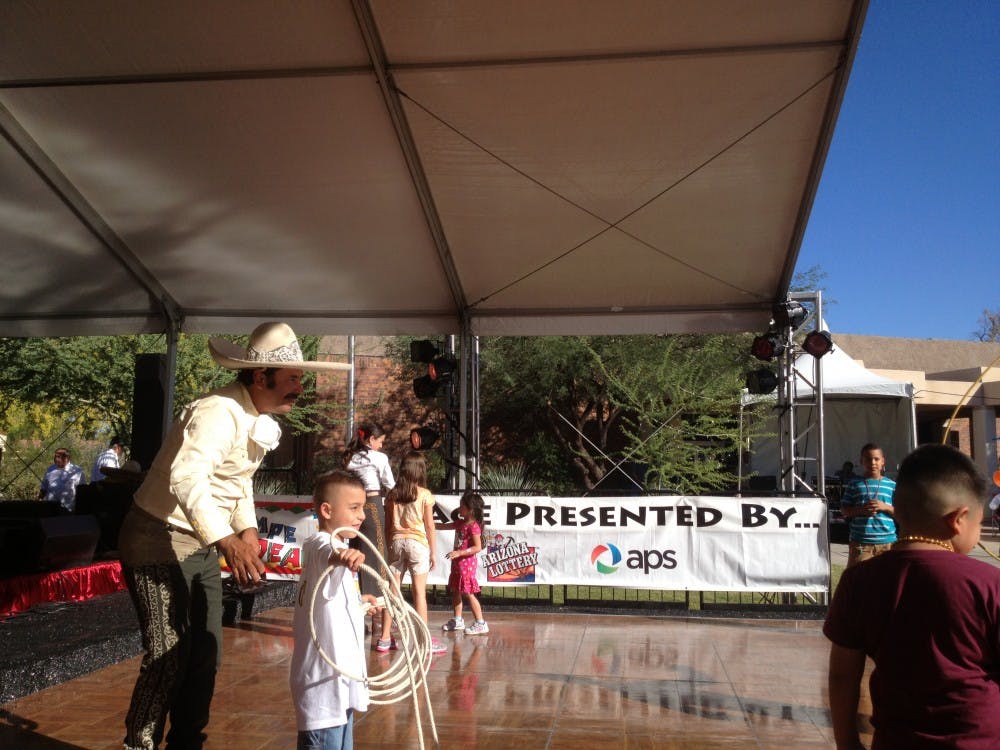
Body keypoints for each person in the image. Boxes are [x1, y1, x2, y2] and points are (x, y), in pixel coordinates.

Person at [117, 322, 350, 750]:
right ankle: (140, 744)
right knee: (169, 655)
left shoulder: (252, 415)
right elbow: (187, 477)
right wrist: (228, 540)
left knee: (204, 653)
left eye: (301, 377)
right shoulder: (217, 412)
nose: (300, 386)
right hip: (156, 536)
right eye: (294, 378)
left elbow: (237, 480)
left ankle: (186, 744)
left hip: (201, 540)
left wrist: (246, 529)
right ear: (261, 377)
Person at [824, 443, 1000, 749]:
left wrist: (847, 743)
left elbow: (842, 675)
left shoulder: (859, 580)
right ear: (959, 518)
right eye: (980, 523)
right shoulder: (989, 583)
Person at [290, 469, 380, 750]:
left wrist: (360, 603)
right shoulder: (323, 545)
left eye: (362, 508)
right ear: (327, 510)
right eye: (354, 508)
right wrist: (341, 555)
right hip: (324, 690)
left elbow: (329, 602)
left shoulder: (337, 550)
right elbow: (325, 554)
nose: (362, 515)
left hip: (340, 687)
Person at [378, 450, 446, 655]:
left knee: (392, 591)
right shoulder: (424, 494)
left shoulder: (392, 495)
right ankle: (422, 639)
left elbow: (388, 525)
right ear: (419, 471)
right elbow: (429, 526)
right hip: (418, 544)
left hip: (397, 542)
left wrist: (390, 547)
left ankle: (384, 638)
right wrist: (433, 552)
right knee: (419, 592)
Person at [342, 422, 395, 596]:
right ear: (371, 439)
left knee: (355, 545)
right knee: (377, 548)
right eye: (380, 441)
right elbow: (390, 484)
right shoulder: (379, 457)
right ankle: (379, 598)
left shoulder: (351, 457)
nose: (381, 445)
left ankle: (355, 594)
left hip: (352, 504)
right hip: (372, 502)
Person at [438, 491, 489, 635]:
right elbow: (445, 526)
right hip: (457, 564)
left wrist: (460, 553)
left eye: (461, 506)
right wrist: (429, 524)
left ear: (470, 509)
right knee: (456, 590)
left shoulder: (473, 526)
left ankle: (480, 622)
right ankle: (458, 619)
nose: (459, 509)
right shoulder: (461, 523)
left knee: (468, 593)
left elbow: (477, 547)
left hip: (466, 564)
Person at [839, 443, 897, 567]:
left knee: (888, 580)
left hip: (888, 543)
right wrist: (861, 510)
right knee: (857, 579)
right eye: (868, 459)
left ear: (883, 461)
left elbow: (901, 513)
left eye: (876, 459)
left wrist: (885, 507)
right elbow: (844, 510)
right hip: (860, 543)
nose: (873, 462)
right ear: (861, 461)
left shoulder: (891, 485)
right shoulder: (854, 484)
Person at [37, 447, 84, 511]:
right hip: (50, 508)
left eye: (59, 457)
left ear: (67, 458)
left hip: (68, 509)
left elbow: (82, 491)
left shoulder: (77, 471)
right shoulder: (50, 469)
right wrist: (39, 501)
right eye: (55, 456)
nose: (56, 459)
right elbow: (43, 487)